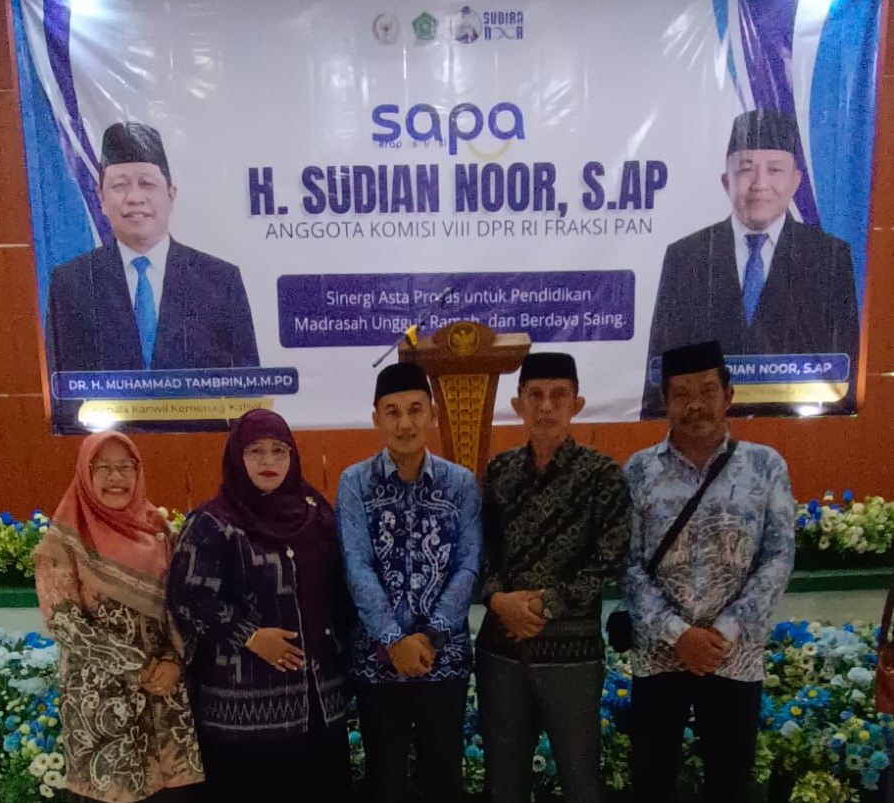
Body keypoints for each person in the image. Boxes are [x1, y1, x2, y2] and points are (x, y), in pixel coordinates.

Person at [624, 340, 795, 803]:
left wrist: (723, 631)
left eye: (706, 391)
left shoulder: (765, 466)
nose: (695, 405)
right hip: (660, 657)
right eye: (681, 394)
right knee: (652, 782)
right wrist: (678, 634)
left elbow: (779, 556)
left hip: (733, 657)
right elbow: (628, 565)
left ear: (728, 395)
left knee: (729, 784)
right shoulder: (639, 472)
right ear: (665, 402)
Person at [167, 409, 352, 801]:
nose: (269, 461)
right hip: (242, 717)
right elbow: (187, 596)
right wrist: (248, 635)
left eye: (279, 450)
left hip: (320, 706)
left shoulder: (316, 514)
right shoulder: (213, 522)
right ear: (238, 456)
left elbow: (341, 590)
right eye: (256, 450)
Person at [476, 351, 631, 803]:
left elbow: (609, 557)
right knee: (504, 784)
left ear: (576, 405)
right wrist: (497, 599)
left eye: (558, 395)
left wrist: (546, 604)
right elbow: (480, 549)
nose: (546, 406)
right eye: (536, 395)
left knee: (580, 780)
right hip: (502, 653)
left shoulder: (602, 475)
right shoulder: (500, 471)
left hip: (572, 658)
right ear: (518, 404)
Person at [642, 109, 859, 418]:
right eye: (746, 169)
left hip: (802, 432)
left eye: (774, 169)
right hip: (703, 429)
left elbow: (845, 373)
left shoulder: (829, 256)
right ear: (726, 181)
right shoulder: (686, 256)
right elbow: (660, 375)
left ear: (796, 181)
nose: (759, 183)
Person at [335, 362, 481, 803]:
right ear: (376, 418)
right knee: (385, 783)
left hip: (444, 660)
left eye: (415, 409)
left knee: (443, 781)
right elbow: (357, 567)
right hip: (378, 663)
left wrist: (430, 636)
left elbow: (469, 566)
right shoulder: (355, 483)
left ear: (433, 415)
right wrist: (394, 641)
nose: (405, 423)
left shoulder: (460, 484)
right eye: (393, 412)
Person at [33, 432, 203, 803]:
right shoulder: (65, 541)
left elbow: (183, 606)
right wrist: (137, 667)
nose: (116, 477)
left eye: (126, 467)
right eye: (104, 467)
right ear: (85, 473)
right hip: (102, 704)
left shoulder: (158, 531)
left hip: (164, 699)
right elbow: (65, 623)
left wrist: (175, 661)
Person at [44, 121, 259, 379]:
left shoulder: (220, 280)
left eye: (146, 183)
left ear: (171, 193)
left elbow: (249, 384)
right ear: (101, 198)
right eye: (120, 186)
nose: (134, 198)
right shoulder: (72, 283)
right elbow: (59, 383)